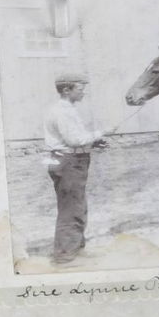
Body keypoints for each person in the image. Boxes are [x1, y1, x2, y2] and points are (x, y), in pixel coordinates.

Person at [43, 73, 106, 265]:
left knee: (77, 206)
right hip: (68, 162)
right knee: (71, 208)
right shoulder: (62, 112)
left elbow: (73, 138)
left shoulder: (66, 109)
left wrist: (92, 144)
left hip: (69, 159)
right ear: (66, 90)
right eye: (80, 88)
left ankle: (75, 248)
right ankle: (64, 255)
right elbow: (74, 140)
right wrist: (100, 134)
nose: (83, 92)